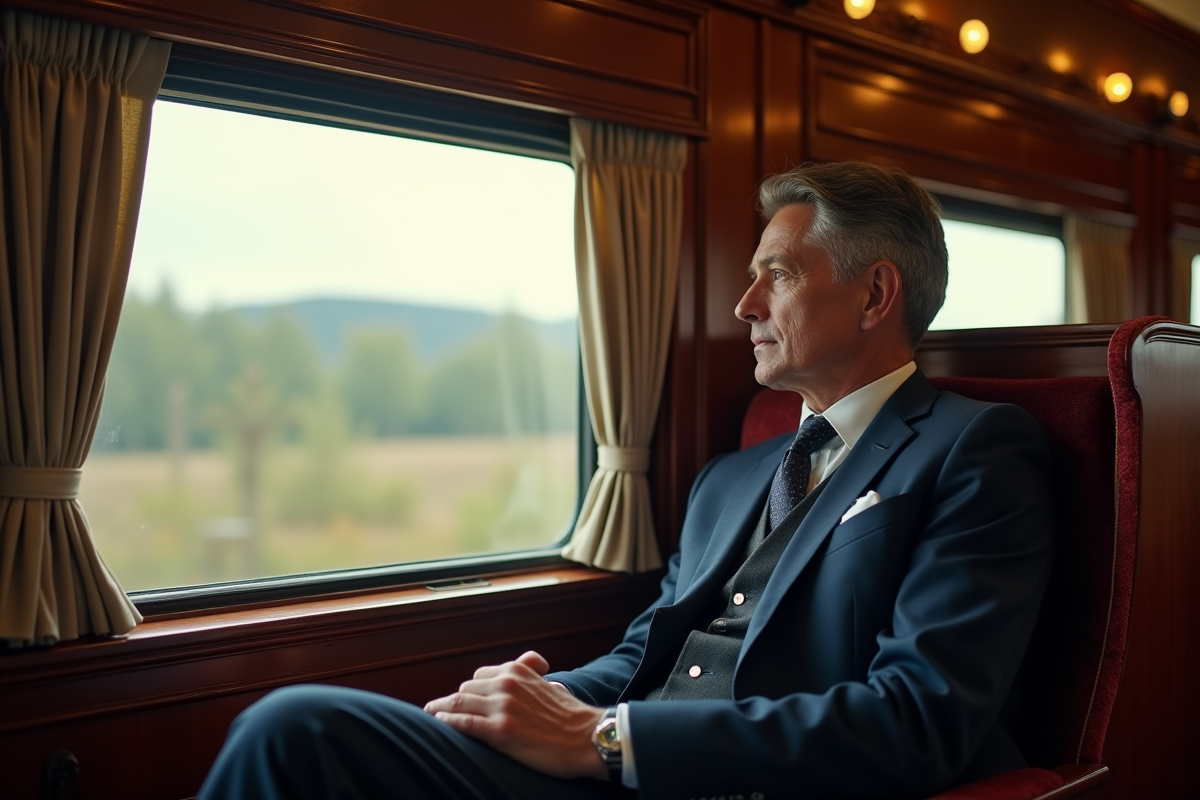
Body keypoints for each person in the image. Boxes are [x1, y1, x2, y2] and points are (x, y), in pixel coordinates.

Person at [199, 161, 1055, 800]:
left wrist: (608, 740)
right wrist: (529, 702)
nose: (745, 305)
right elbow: (645, 659)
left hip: (751, 783)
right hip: (620, 771)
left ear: (874, 295)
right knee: (297, 728)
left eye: (780, 274)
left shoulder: (974, 448)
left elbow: (917, 719)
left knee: (291, 727)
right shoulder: (730, 479)